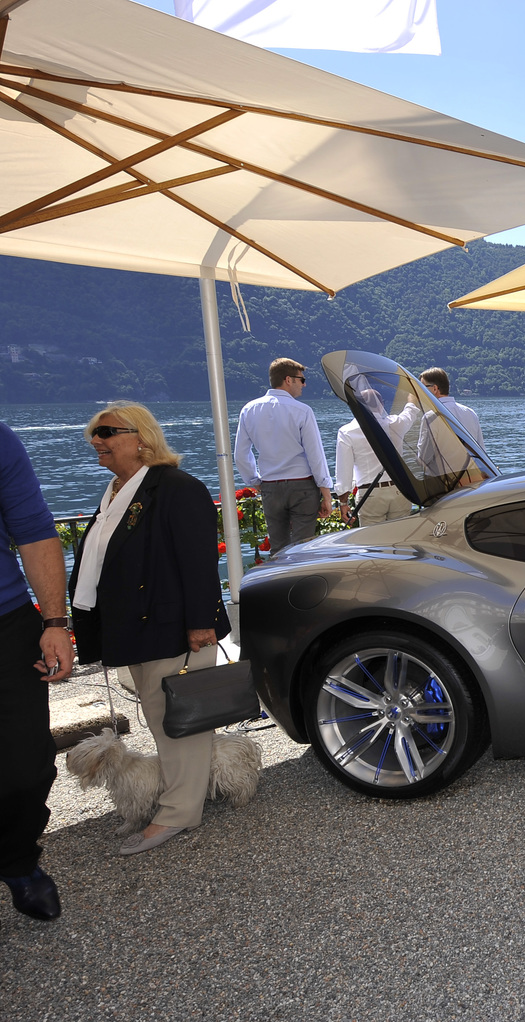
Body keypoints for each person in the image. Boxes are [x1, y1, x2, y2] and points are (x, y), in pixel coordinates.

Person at [68, 403, 233, 856]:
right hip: (137, 628)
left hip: (173, 628)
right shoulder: (117, 491)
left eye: (106, 432)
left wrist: (201, 624)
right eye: (93, 434)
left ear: (141, 437)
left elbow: (200, 561)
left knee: (178, 724)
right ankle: (175, 800)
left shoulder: (177, 488)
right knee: (162, 720)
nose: (96, 441)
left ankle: (178, 813)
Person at [0, 422, 72, 921]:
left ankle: (17, 860)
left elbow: (34, 530)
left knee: (27, 764)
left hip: (5, 622)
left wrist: (55, 621)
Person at [234, 357, 334, 552]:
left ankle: (281, 582)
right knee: (303, 547)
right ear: (289, 380)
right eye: (302, 380)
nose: (304, 385)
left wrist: (255, 481)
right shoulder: (302, 411)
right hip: (302, 486)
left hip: (270, 486)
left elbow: (240, 454)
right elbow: (316, 455)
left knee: (278, 549)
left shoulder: (249, 410)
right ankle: (303, 582)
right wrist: (326, 494)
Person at [335, 388, 421, 526]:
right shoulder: (395, 424)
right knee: (399, 540)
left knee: (373, 543)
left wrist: (343, 502)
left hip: (370, 493)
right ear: (381, 404)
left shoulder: (347, 432)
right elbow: (410, 412)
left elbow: (344, 471)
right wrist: (412, 395)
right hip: (399, 490)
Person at [420, 367, 484, 448]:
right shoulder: (471, 413)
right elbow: (481, 450)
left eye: (422, 387)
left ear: (435, 389)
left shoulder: (431, 417)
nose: (420, 391)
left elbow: (424, 457)